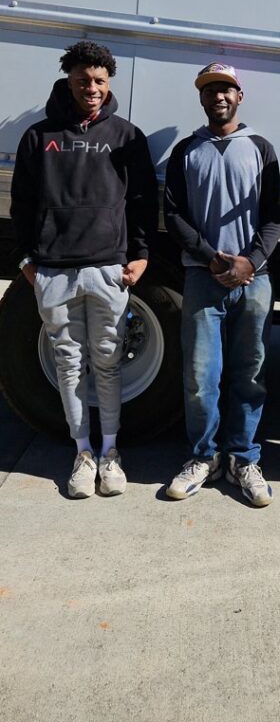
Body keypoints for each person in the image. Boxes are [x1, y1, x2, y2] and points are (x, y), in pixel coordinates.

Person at [11, 40, 157, 499]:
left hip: (107, 270)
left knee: (108, 364)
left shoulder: (126, 135)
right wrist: (27, 260)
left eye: (98, 81)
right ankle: (82, 453)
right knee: (69, 365)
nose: (90, 88)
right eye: (81, 80)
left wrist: (140, 254)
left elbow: (141, 201)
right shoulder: (39, 136)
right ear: (68, 81)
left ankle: (111, 453)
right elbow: (22, 204)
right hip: (53, 272)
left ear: (108, 82)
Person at [164, 61, 280, 507]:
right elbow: (173, 216)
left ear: (239, 96)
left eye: (226, 89)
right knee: (200, 376)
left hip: (255, 280)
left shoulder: (259, 147)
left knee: (250, 373)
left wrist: (249, 262)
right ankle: (203, 457)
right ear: (201, 98)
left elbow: (273, 217)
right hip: (202, 277)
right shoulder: (185, 151)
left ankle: (243, 458)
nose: (218, 96)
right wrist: (212, 257)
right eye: (210, 90)